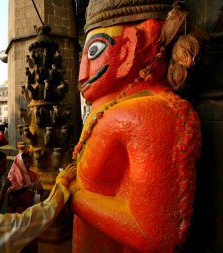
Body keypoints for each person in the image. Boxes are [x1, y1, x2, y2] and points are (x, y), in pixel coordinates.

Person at [69, 1, 202, 252]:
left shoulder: (149, 114)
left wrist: (73, 198)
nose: (82, 73)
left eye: (94, 51)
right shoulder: (111, 110)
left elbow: (152, 233)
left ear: (129, 48)